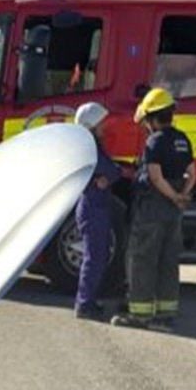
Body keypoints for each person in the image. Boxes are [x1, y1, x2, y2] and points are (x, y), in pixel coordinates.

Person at [114, 87, 194, 331]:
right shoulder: (183, 139)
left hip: (154, 208)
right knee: (168, 260)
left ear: (152, 118)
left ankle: (139, 315)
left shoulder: (154, 141)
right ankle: (165, 316)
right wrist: (183, 195)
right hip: (174, 212)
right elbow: (192, 173)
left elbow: (156, 178)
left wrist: (173, 196)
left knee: (143, 258)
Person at [71, 102, 122, 322]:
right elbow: (109, 170)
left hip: (95, 205)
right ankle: (84, 304)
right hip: (93, 207)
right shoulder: (90, 146)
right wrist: (113, 173)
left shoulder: (91, 144)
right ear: (91, 125)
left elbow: (110, 173)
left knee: (97, 256)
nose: (104, 126)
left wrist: (111, 174)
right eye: (101, 122)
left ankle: (87, 301)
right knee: (94, 257)